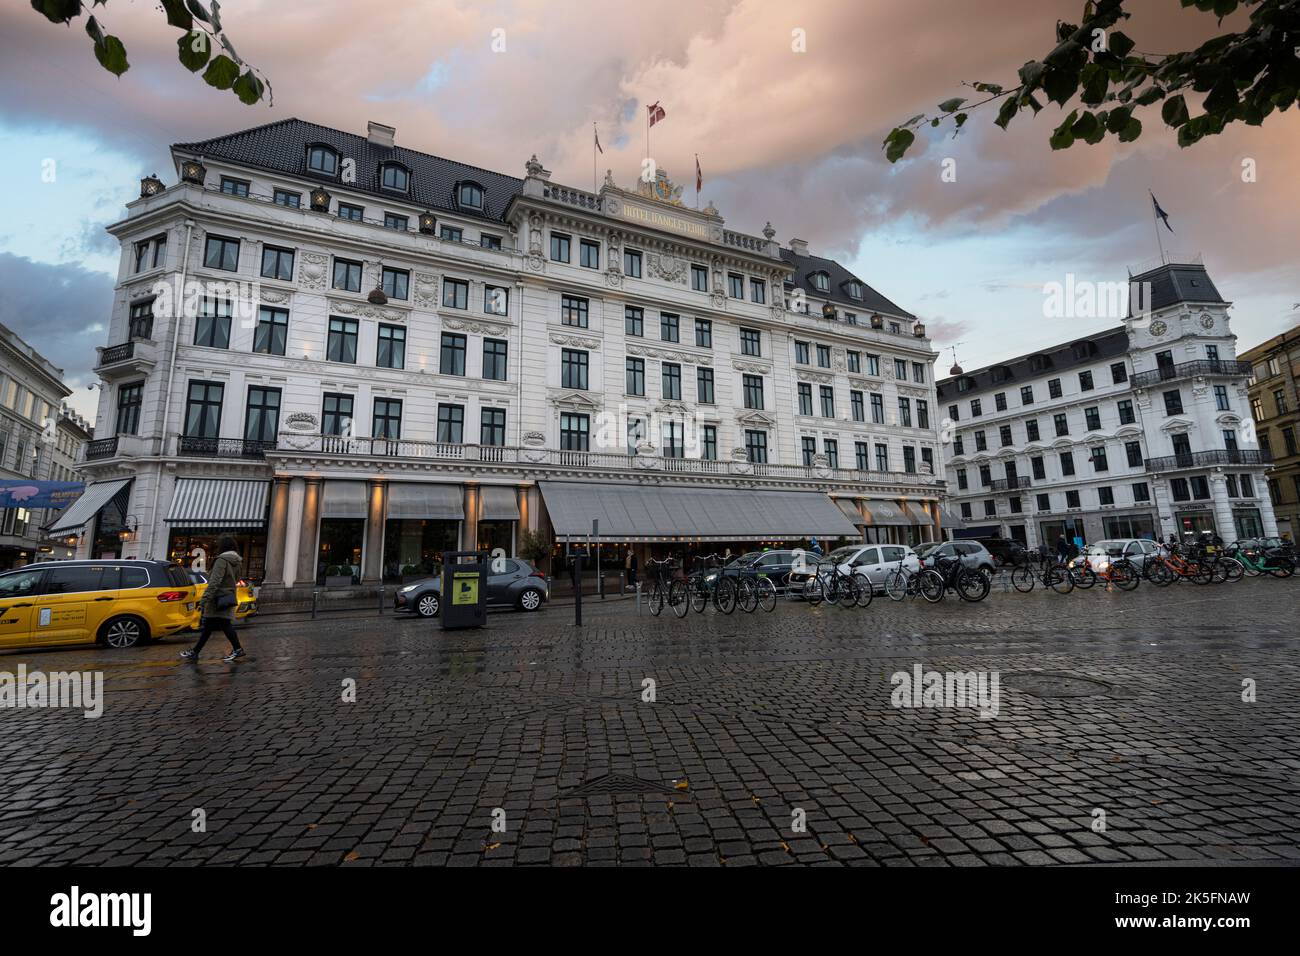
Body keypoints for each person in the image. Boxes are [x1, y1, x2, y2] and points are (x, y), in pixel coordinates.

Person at [182, 534, 246, 662]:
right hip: (228, 596)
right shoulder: (238, 561)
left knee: (222, 624)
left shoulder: (221, 560)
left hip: (217, 597)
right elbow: (238, 579)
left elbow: (214, 582)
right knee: (211, 626)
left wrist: (204, 599)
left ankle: (238, 649)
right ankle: (195, 652)